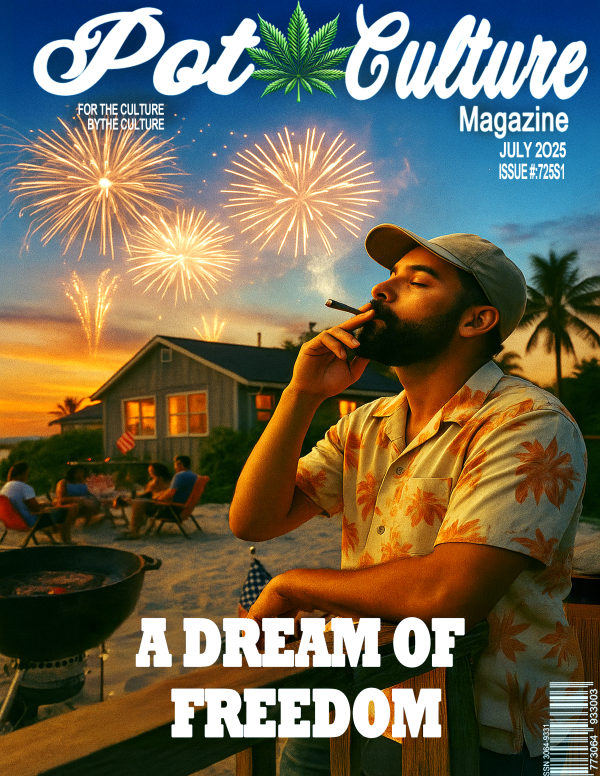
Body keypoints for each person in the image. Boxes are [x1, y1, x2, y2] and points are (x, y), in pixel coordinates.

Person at [229, 226, 587, 775]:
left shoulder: (527, 421)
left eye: (417, 282)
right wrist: (300, 395)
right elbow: (253, 521)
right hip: (362, 688)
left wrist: (290, 586)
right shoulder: (364, 424)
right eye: (388, 277)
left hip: (500, 720)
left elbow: (450, 592)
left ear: (475, 320)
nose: (380, 291)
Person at [119, 455, 198, 539]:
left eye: (175, 463)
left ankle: (135, 532)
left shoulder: (178, 476)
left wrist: (156, 496)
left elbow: (170, 493)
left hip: (170, 508)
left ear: (179, 463)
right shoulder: (193, 476)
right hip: (180, 507)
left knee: (138, 502)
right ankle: (136, 527)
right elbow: (170, 492)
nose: (174, 465)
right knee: (140, 500)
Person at [1, 461, 79, 544]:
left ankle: (53, 540)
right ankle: (67, 540)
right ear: (22, 474)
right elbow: (35, 508)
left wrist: (45, 504)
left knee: (51, 511)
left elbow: (25, 505)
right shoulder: (25, 487)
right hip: (28, 521)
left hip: (9, 521)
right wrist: (49, 507)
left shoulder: (6, 487)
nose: (27, 476)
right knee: (67, 511)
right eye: (27, 473)